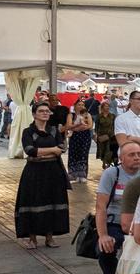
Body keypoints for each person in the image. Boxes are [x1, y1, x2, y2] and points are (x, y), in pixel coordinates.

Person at [13, 99, 70, 250]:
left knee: (52, 201)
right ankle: (32, 239)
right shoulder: (28, 132)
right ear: (34, 114)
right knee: (33, 203)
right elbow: (30, 150)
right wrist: (51, 151)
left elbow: (62, 147)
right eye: (41, 111)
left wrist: (43, 152)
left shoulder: (54, 130)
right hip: (34, 172)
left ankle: (49, 238)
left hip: (53, 171)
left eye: (47, 111)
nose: (45, 114)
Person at [92, 142, 140, 274]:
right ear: (121, 159)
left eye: (139, 154)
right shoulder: (112, 174)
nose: (137, 158)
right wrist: (103, 235)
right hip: (115, 222)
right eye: (131, 155)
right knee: (105, 248)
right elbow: (100, 207)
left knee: (138, 250)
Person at [65, 101, 94, 184]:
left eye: (82, 105)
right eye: (79, 105)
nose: (81, 106)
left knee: (83, 154)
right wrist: (76, 127)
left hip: (85, 137)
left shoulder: (87, 115)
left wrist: (79, 128)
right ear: (75, 106)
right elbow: (68, 126)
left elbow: (90, 125)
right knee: (73, 154)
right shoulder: (71, 115)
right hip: (74, 137)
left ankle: (83, 175)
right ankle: (73, 175)